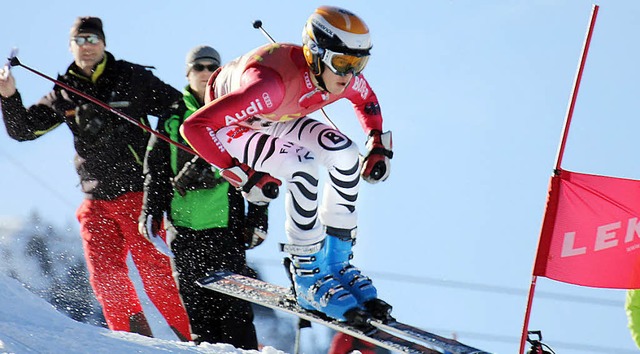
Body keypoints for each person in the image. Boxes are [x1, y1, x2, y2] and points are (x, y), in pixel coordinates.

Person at [180, 6, 394, 324]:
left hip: (277, 115)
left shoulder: (341, 78)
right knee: (302, 165)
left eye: (358, 64)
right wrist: (241, 174)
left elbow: (367, 100)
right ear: (316, 54)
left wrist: (376, 142)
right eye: (342, 63)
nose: (348, 75)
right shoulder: (268, 86)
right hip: (235, 123)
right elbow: (195, 126)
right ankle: (306, 274)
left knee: (346, 153)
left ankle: (336, 263)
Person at [0, 17, 192, 340]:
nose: (87, 46)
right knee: (105, 276)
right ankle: (134, 343)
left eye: (93, 39)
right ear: (71, 46)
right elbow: (24, 129)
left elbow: (177, 107)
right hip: (96, 200)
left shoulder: (131, 77)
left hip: (137, 193)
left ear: (103, 43)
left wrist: (164, 151)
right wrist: (8, 96)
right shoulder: (65, 91)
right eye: (80, 40)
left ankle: (194, 337)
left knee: (154, 271)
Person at [138, 45, 268, 348]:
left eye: (213, 67)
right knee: (199, 317)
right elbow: (155, 169)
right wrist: (151, 210)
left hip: (226, 229)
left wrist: (258, 217)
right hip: (184, 231)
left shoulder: (236, 113)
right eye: (199, 67)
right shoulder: (171, 117)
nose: (206, 73)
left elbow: (259, 167)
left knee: (235, 316)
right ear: (188, 73)